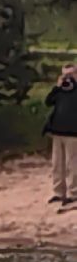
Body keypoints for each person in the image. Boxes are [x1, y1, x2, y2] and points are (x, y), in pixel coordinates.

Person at [47, 63, 77, 208]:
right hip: (57, 132)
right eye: (65, 75)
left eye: (70, 75)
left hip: (73, 133)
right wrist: (57, 86)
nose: (68, 78)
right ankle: (58, 192)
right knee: (57, 164)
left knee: (72, 165)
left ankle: (74, 193)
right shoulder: (60, 91)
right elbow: (48, 102)